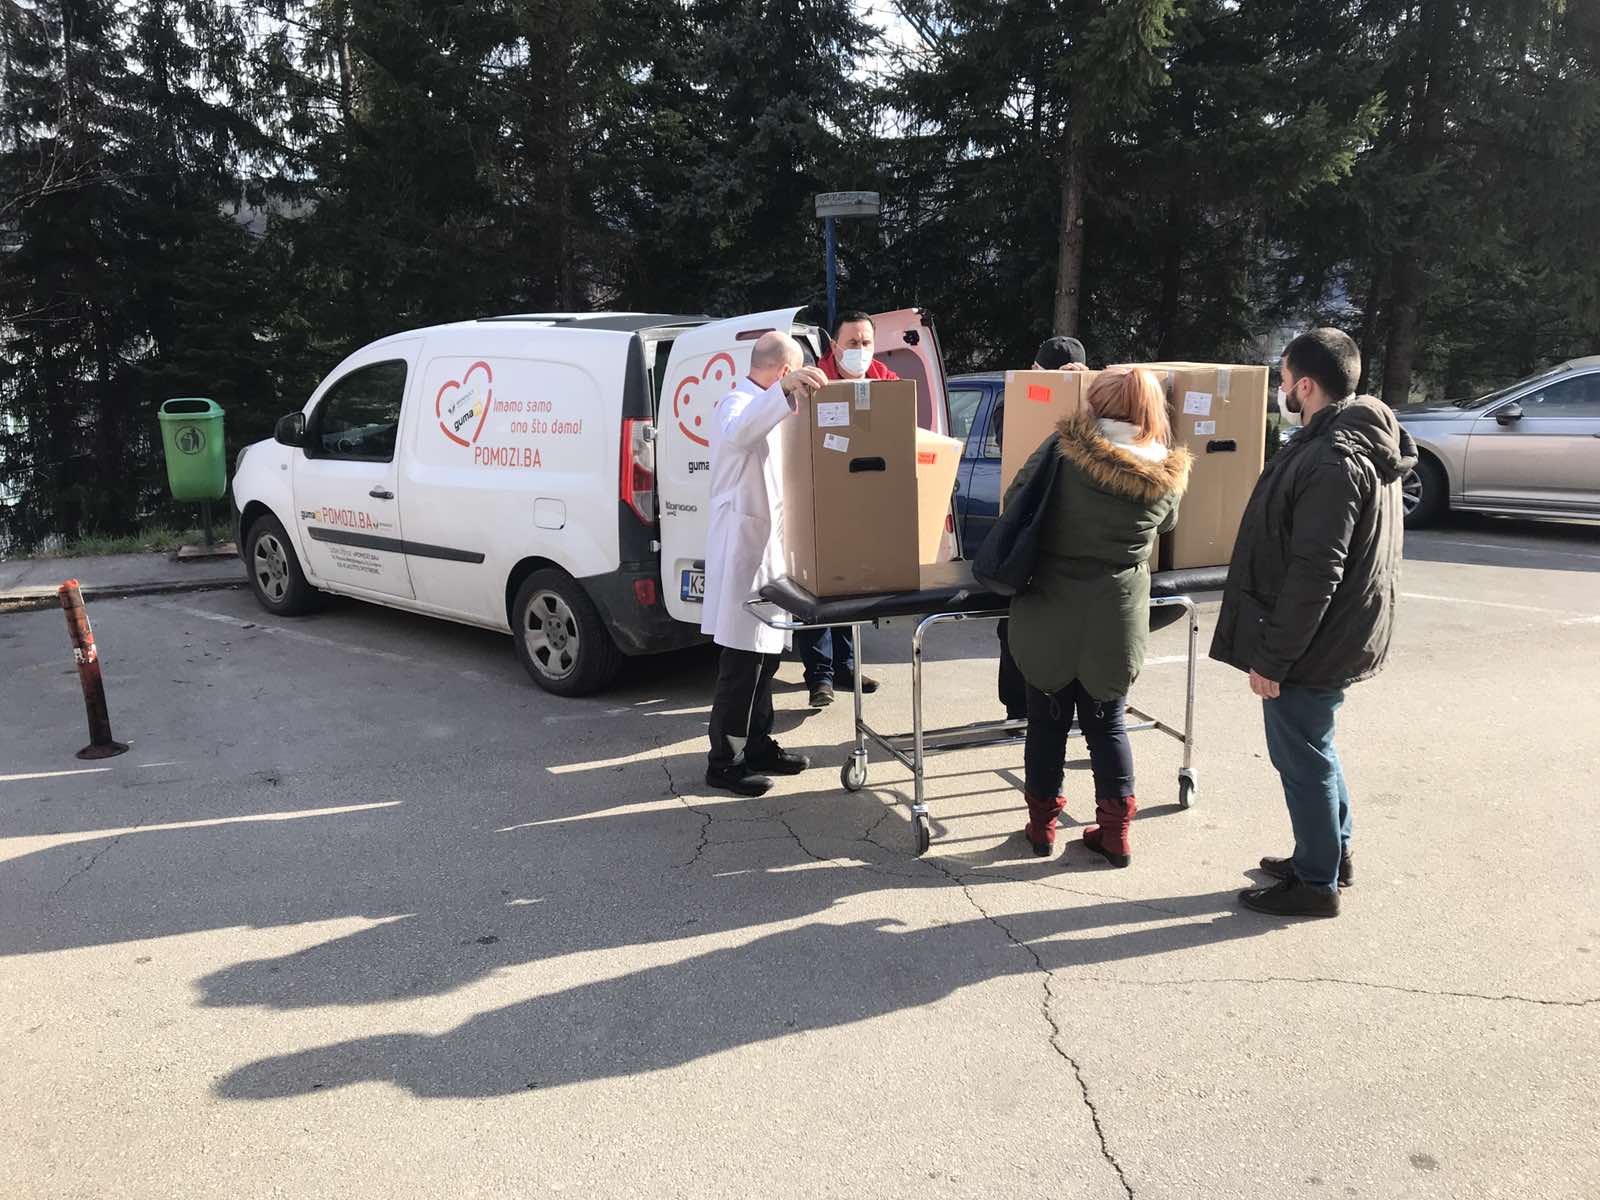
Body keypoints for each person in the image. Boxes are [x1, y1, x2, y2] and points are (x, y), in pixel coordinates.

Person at [1212, 328, 1416, 918]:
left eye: (1282, 378)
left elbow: (1316, 571)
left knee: (1302, 758)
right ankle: (1329, 854)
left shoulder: (1333, 459)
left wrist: (1274, 659)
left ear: (1304, 386)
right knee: (1315, 747)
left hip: (1316, 641)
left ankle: (1315, 882)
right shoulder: (1352, 437)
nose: (1279, 389)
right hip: (1339, 631)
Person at [1005, 367, 1192, 862]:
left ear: (1097, 406)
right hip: (1117, 611)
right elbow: (1168, 525)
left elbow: (1016, 500)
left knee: (1046, 724)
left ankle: (1041, 827)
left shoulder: (1062, 452)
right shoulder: (1166, 472)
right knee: (1108, 725)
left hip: (1050, 604)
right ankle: (1116, 834)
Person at [701, 331, 828, 796]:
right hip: (744, 551)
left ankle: (757, 744)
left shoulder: (771, 405)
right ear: (784, 371)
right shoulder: (735, 403)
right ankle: (724, 761)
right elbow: (741, 431)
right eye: (794, 377)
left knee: (767, 659)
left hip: (768, 551)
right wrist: (784, 391)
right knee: (742, 662)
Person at [795, 310, 894, 707]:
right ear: (834, 346)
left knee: (851, 588)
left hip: (864, 500)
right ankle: (819, 676)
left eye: (866, 342)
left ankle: (846, 667)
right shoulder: (815, 381)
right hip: (816, 499)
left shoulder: (884, 381)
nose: (860, 349)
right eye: (852, 342)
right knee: (818, 591)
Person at [996, 335, 1093, 721]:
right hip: (1034, 528)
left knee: (1037, 625)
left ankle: (1038, 707)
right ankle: (1019, 706)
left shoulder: (1095, 408)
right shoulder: (1020, 401)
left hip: (1054, 533)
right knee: (1016, 623)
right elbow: (1009, 433)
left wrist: (1079, 395)